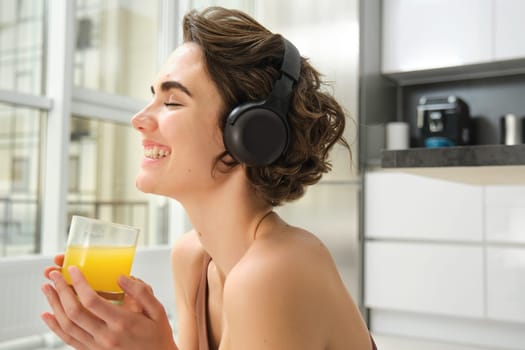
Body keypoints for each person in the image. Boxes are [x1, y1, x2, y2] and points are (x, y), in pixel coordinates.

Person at [41, 6, 377, 350]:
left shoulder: (275, 271)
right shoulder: (192, 258)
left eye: (172, 101)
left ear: (249, 133)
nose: (139, 119)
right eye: (152, 96)